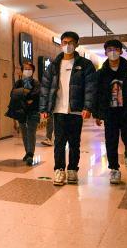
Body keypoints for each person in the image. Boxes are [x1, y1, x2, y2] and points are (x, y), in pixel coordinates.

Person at [39, 31, 96, 186]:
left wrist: (88, 107)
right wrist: (44, 108)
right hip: (58, 110)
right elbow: (45, 87)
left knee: (74, 143)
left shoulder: (85, 65)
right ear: (61, 44)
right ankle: (59, 170)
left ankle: (72, 170)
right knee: (59, 143)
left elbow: (90, 88)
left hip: (76, 111)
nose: (67, 45)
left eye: (71, 42)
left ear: (76, 44)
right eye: (65, 42)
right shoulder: (54, 65)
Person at [92, 39, 127, 184]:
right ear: (105, 52)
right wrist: (97, 114)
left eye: (115, 49)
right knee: (111, 142)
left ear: (121, 51)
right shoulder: (101, 73)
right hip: (110, 113)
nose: (112, 52)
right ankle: (114, 169)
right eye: (109, 49)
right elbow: (96, 94)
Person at [8, 61, 41, 165]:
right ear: (22, 71)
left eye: (29, 69)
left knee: (31, 132)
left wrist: (23, 95)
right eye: (25, 69)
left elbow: (36, 94)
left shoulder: (36, 83)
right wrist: (26, 93)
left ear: (33, 71)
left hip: (33, 111)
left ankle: (30, 154)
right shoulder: (18, 83)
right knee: (24, 132)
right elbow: (12, 94)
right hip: (21, 111)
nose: (27, 71)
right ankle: (27, 152)